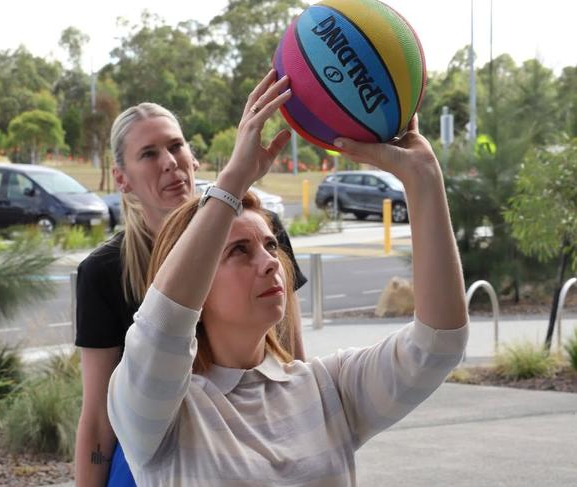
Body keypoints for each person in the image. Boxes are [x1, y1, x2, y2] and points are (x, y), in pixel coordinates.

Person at [107, 70, 469, 485]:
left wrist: (423, 178)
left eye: (270, 246)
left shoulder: (325, 387)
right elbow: (161, 327)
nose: (269, 263)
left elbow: (439, 343)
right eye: (239, 250)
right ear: (197, 287)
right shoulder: (159, 414)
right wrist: (233, 179)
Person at [73, 99, 307, 486]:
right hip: (151, 464)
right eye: (148, 154)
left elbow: (292, 359)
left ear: (193, 158)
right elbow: (99, 417)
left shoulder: (261, 232)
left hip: (255, 443)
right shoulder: (104, 272)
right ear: (122, 178)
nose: (168, 161)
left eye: (175, 146)